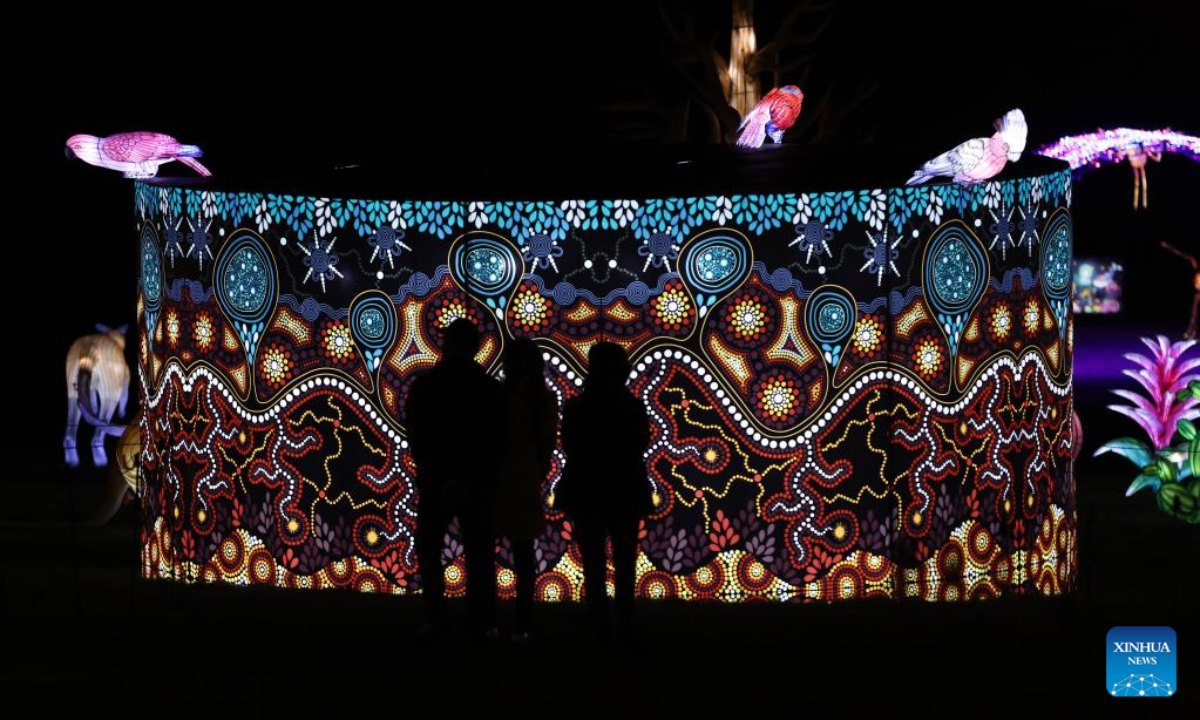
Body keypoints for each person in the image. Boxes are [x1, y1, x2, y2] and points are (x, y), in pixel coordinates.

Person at [405, 318, 504, 641]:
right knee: (480, 553)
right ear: (475, 347)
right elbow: (494, 440)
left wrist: (438, 474)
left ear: (445, 344)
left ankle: (436, 617)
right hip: (477, 483)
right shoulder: (490, 389)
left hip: (437, 481)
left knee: (430, 549)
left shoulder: (426, 386)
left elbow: (418, 436)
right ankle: (482, 619)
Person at [557, 342, 652, 643]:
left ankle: (599, 628)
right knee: (625, 565)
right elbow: (640, 443)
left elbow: (570, 445)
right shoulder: (632, 405)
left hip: (587, 492)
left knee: (593, 565)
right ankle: (625, 627)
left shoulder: (577, 406)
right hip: (625, 491)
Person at [495, 339, 558, 641]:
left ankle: (489, 620)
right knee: (523, 554)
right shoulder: (543, 399)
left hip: (496, 478)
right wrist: (538, 468)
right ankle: (523, 622)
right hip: (524, 477)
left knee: (486, 552)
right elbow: (548, 443)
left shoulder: (498, 396)